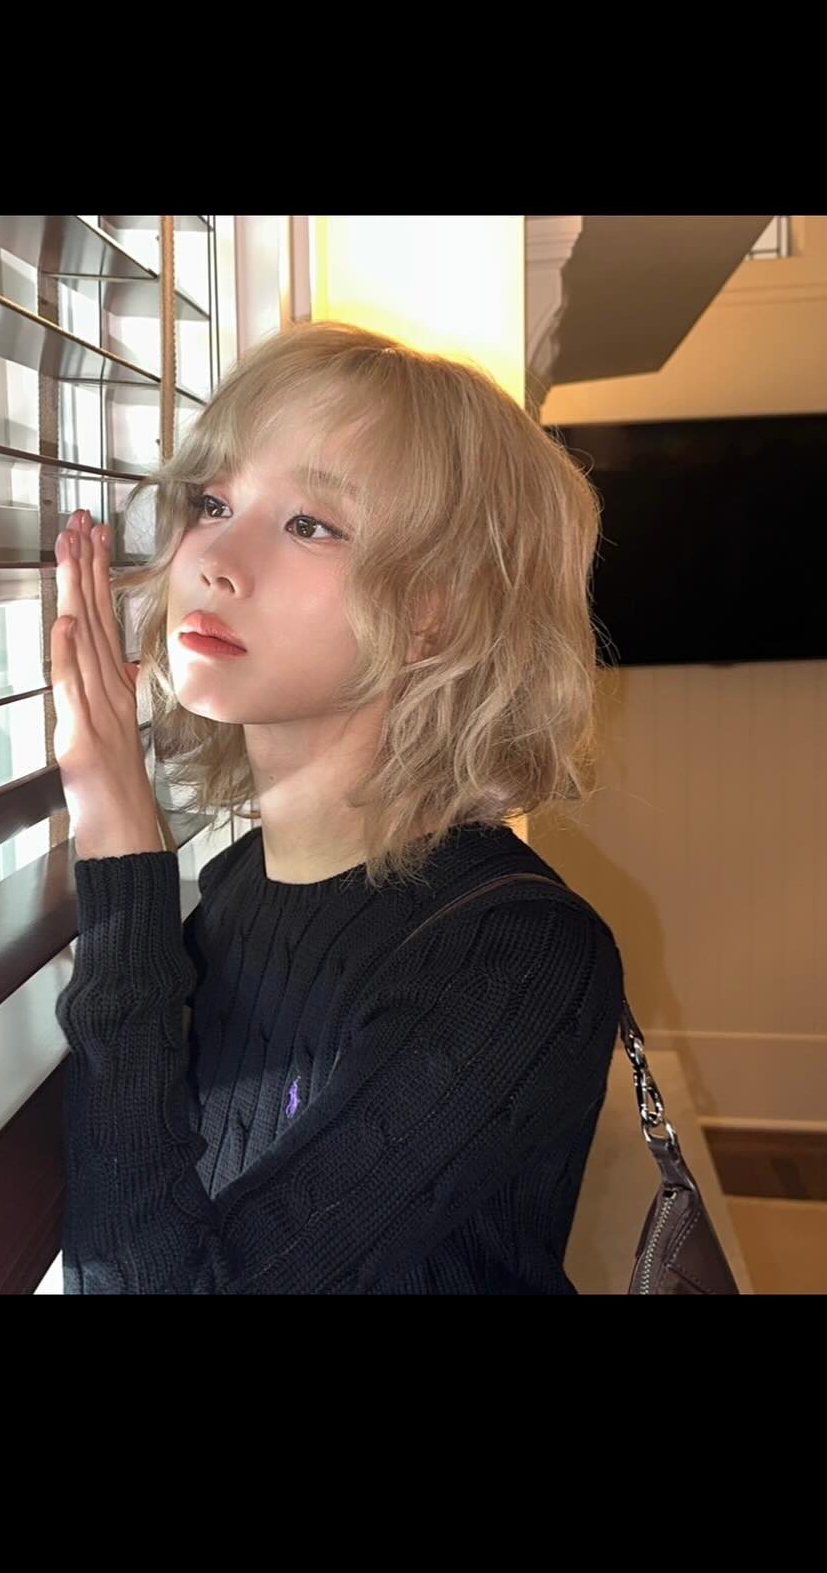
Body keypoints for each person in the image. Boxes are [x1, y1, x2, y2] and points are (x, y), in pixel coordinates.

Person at [49, 319, 624, 1294]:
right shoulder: (240, 885)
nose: (216, 560)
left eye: (310, 524)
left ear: (438, 607)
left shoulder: (512, 958)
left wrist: (117, 840)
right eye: (213, 502)